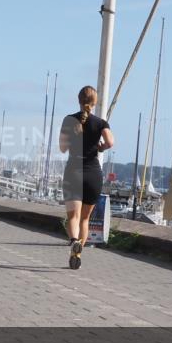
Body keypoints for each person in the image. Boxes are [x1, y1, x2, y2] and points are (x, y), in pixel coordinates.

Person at [58, 86, 114, 270]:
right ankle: (78, 251)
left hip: (73, 171)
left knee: (73, 217)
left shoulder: (69, 120)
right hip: (93, 174)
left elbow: (63, 148)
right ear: (95, 102)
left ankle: (74, 241)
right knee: (84, 219)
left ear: (79, 100)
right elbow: (110, 142)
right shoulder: (101, 123)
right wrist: (100, 148)